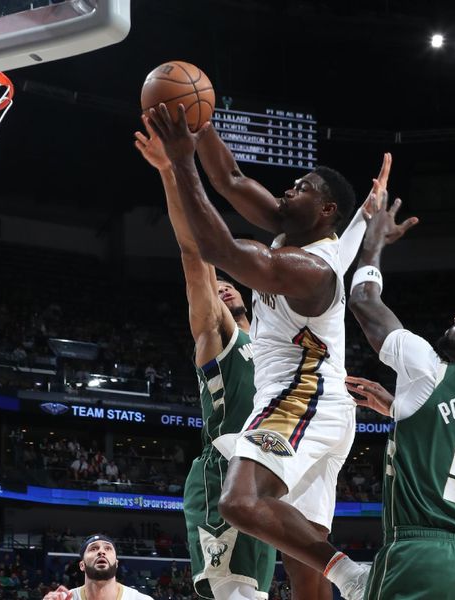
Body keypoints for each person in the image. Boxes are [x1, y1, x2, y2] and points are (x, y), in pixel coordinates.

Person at [146, 104, 413, 600]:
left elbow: (219, 251)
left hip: (300, 400)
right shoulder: (296, 227)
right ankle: (340, 574)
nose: (290, 190)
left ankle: (354, 575)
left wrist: (182, 162)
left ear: (326, 211)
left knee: (240, 503)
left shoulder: (311, 268)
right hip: (321, 406)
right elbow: (229, 177)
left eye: (304, 188)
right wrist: (200, 126)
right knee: (301, 563)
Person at [341, 195, 455, 599]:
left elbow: (364, 302)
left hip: (419, 553)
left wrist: (374, 241)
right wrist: (399, 408)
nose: (454, 320)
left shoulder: (428, 368)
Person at [134, 117, 275, 600]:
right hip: (224, 475)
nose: (221, 286)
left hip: (267, 483)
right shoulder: (218, 335)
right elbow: (194, 254)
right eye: (216, 288)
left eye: (228, 282)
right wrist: (173, 173)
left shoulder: (277, 346)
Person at [42, 535, 152, 600]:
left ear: (117, 564)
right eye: (93, 548)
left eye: (108, 548)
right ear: (82, 565)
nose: (101, 552)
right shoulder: (66, 599)